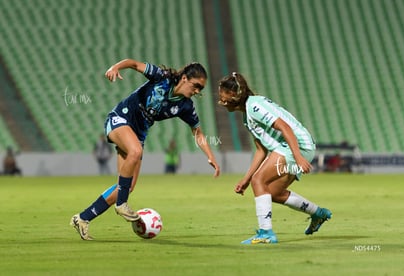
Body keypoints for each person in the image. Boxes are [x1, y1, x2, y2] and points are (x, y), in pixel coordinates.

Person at [70, 59, 220, 240]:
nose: (197, 91)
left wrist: (210, 156)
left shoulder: (184, 106)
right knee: (135, 154)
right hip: (120, 119)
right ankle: (121, 204)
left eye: (201, 89)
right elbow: (133, 64)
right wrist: (116, 67)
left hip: (138, 135)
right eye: (196, 86)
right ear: (185, 78)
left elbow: (197, 132)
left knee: (126, 186)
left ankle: (83, 218)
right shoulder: (161, 77)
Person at [217, 72, 331, 244]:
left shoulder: (255, 106)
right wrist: (246, 179)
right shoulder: (247, 115)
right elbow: (261, 151)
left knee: (259, 181)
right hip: (292, 147)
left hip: (296, 146)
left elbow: (284, 127)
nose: (221, 100)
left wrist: (298, 157)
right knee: (273, 193)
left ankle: (266, 233)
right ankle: (318, 213)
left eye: (223, 96)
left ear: (234, 94)